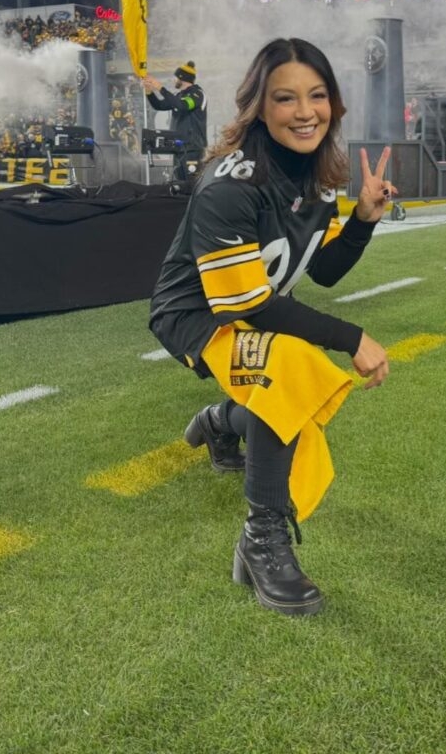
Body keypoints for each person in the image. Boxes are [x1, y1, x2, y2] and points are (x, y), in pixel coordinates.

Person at [148, 38, 393, 614]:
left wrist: (361, 221)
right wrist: (353, 338)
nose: (305, 111)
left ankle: (218, 423)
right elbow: (250, 306)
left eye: (317, 95)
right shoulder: (231, 183)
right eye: (286, 98)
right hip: (197, 314)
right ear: (259, 105)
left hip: (249, 305)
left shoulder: (318, 174)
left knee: (281, 369)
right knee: (287, 366)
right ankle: (262, 537)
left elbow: (323, 271)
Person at [143, 60, 208, 181]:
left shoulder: (197, 94)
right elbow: (159, 105)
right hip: (178, 148)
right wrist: (149, 91)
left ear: (182, 78)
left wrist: (160, 88)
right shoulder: (178, 95)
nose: (173, 80)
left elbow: (182, 105)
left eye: (175, 77)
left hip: (192, 149)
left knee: (192, 184)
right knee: (180, 184)